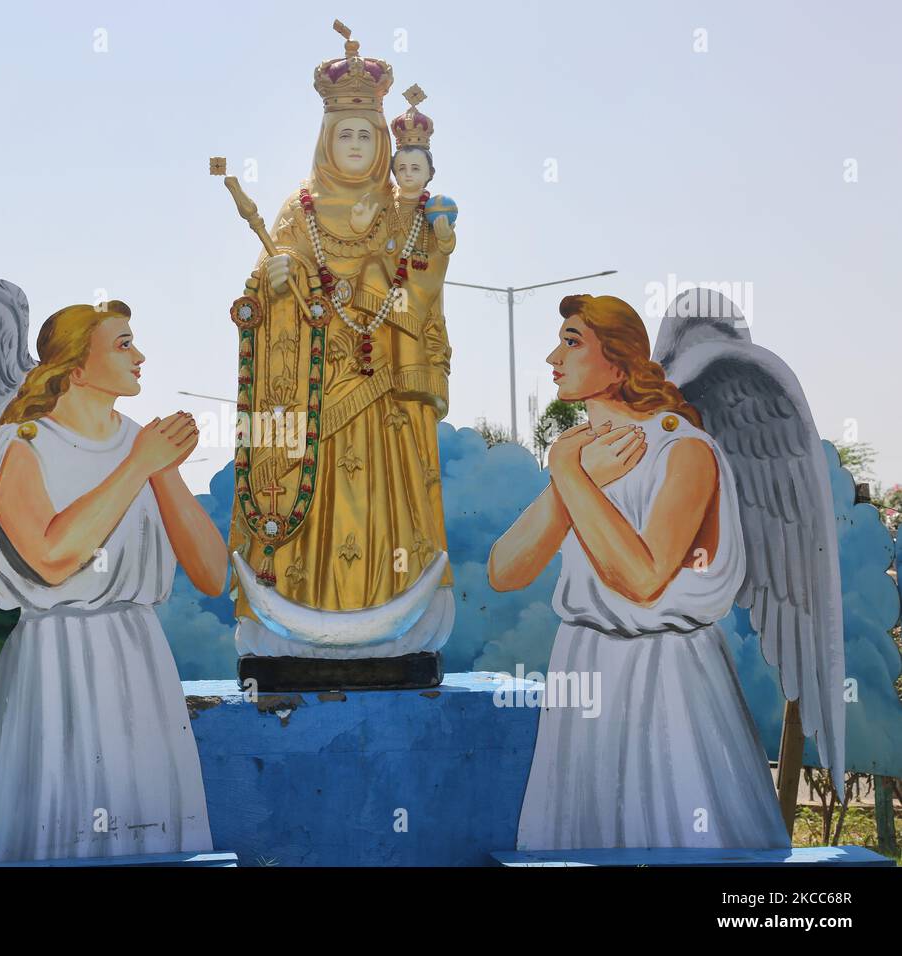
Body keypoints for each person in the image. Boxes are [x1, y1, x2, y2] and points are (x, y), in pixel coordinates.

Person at [488, 294, 790, 849]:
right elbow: (505, 571)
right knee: (583, 837)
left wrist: (570, 477)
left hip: (667, 674)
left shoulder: (683, 450)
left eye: (572, 342)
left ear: (620, 361)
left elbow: (645, 580)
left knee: (680, 830)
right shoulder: (584, 453)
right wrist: (568, 480)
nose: (554, 357)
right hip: (584, 664)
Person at [0, 300, 227, 862]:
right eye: (123, 344)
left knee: (146, 822)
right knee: (63, 823)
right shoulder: (23, 445)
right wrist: (138, 465)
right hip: (55, 661)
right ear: (76, 368)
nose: (140, 356)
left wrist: (163, 470)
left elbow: (212, 573)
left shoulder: (142, 441)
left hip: (139, 659)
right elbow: (52, 557)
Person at [229, 28, 454, 660]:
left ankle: (391, 616)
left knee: (388, 506)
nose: (355, 145)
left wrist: (388, 291)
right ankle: (299, 620)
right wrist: (274, 282)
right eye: (345, 133)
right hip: (309, 394)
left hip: (384, 401)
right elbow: (261, 294)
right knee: (304, 497)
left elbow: (424, 298)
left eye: (366, 133)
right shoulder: (295, 212)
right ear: (326, 139)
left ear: (385, 141)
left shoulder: (403, 209)